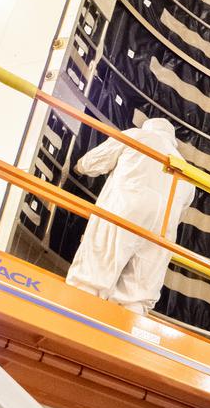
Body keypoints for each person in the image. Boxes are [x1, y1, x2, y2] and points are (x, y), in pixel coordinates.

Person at [66, 118, 195, 315]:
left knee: (95, 272)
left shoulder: (138, 136)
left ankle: (76, 313)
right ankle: (125, 324)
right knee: (137, 293)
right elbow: (180, 215)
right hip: (162, 231)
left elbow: (93, 162)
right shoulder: (187, 172)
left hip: (125, 211)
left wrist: (78, 167)